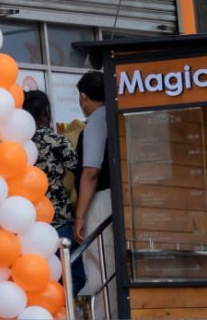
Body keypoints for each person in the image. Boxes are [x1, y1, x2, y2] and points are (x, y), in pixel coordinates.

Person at [23, 90, 83, 295]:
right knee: (74, 275)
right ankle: (59, 306)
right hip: (57, 218)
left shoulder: (15, 142)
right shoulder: (55, 140)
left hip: (25, 222)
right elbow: (80, 172)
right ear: (45, 112)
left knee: (40, 276)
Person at [71, 71, 112, 314]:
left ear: (83, 98)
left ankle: (106, 314)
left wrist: (79, 216)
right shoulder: (115, 115)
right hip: (114, 199)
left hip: (101, 201)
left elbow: (90, 172)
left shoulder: (97, 121)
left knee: (100, 265)